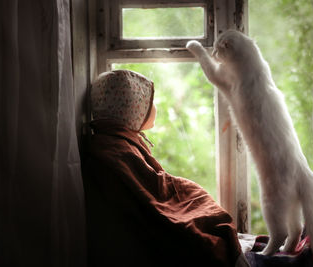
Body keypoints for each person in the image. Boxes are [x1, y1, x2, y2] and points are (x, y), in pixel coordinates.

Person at [84, 70, 248, 267]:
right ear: (129, 107)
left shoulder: (113, 142)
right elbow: (155, 198)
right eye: (148, 101)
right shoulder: (116, 151)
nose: (154, 107)